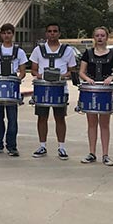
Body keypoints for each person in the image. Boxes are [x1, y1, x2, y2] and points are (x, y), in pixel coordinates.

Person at [29, 23, 78, 160]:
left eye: (55, 31)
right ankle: (42, 146)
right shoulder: (38, 50)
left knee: (60, 118)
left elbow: (72, 70)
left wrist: (61, 76)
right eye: (49, 31)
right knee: (42, 117)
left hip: (60, 88)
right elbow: (33, 70)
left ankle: (61, 147)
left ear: (59, 33)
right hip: (42, 88)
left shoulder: (67, 50)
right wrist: (40, 75)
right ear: (46, 33)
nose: (52, 33)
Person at [78, 27, 113, 166]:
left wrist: (111, 77)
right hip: (91, 90)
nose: (100, 38)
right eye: (97, 35)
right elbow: (81, 72)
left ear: (107, 37)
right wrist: (87, 79)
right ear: (94, 37)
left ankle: (105, 155)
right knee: (91, 123)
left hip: (106, 90)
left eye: (102, 35)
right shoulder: (88, 53)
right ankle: (92, 153)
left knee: (104, 124)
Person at [0, 23, 28, 156]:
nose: (6, 35)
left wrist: (16, 80)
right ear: (0, 35)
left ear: (13, 34)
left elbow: (22, 71)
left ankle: (12, 146)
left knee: (12, 118)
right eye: (4, 33)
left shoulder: (19, 52)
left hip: (12, 88)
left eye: (9, 33)